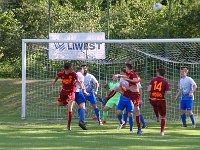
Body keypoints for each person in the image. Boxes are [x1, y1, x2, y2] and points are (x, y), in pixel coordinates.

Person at [113, 63, 142, 135]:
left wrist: (128, 80)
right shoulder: (129, 74)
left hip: (135, 94)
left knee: (136, 110)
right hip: (129, 92)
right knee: (116, 90)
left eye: (125, 68)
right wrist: (118, 75)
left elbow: (135, 81)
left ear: (127, 68)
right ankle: (106, 99)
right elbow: (125, 76)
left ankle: (139, 128)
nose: (125, 69)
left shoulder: (133, 74)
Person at [51, 63, 81, 131]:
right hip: (63, 91)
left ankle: (69, 125)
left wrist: (83, 88)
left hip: (71, 92)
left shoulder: (74, 74)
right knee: (59, 104)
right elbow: (57, 76)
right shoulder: (61, 73)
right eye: (71, 68)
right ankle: (67, 102)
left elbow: (78, 81)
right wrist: (54, 82)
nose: (73, 69)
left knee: (69, 108)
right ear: (68, 69)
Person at [147, 68, 170, 136]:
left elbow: (148, 90)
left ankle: (157, 116)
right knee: (163, 117)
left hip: (152, 99)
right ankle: (162, 132)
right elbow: (168, 92)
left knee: (155, 106)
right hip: (161, 100)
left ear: (158, 73)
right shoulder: (165, 82)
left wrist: (153, 92)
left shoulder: (153, 80)